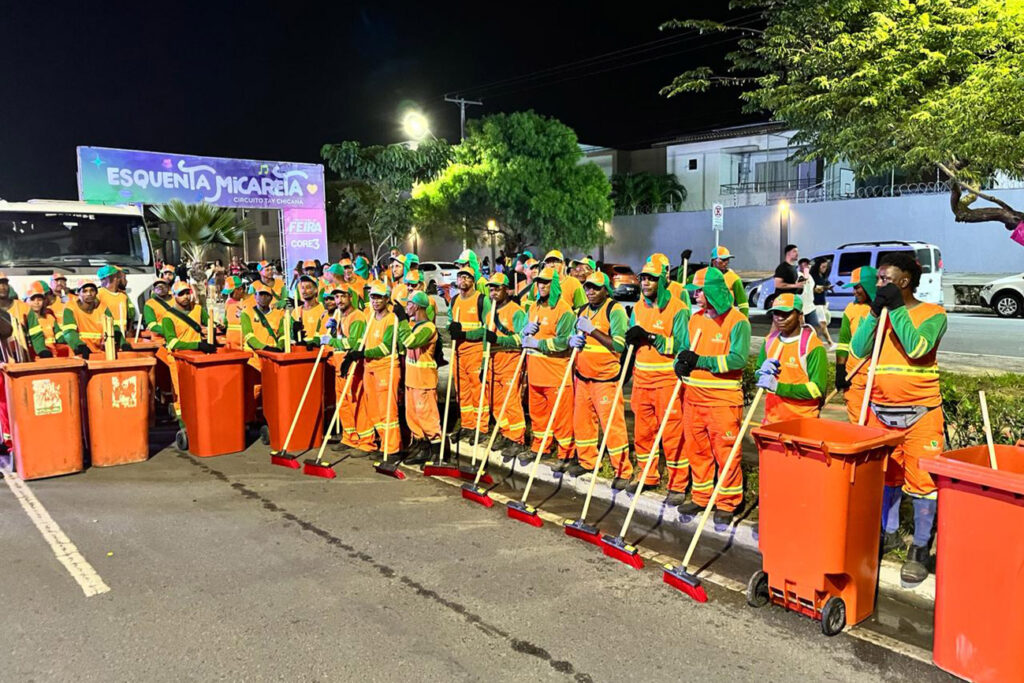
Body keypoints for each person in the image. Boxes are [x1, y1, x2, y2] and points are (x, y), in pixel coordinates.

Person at [850, 252, 947, 585]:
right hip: (880, 412)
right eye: (878, 280)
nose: (878, 285)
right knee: (886, 475)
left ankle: (920, 546)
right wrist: (876, 313)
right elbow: (858, 349)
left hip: (921, 415)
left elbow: (917, 348)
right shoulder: (878, 315)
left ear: (905, 281)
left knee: (923, 484)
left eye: (885, 279)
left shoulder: (933, 314)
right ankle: (887, 532)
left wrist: (897, 310)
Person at [674, 267, 751, 525]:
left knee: (726, 452)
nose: (695, 295)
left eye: (699, 291)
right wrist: (681, 363)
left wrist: (701, 361)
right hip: (693, 398)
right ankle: (701, 496)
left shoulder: (737, 321)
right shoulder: (695, 319)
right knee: (697, 450)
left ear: (713, 292)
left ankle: (728, 502)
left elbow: (738, 359)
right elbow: (686, 351)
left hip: (722, 401)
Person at [627, 258, 691, 498]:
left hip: (666, 381)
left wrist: (653, 338)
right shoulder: (637, 308)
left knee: (673, 433)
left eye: (651, 278)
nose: (645, 282)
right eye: (643, 278)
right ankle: (647, 475)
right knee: (643, 432)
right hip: (641, 379)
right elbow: (635, 339)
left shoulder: (678, 308)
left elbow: (683, 346)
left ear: (661, 281)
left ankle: (678, 484)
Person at [569, 272, 630, 480]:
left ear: (606, 289)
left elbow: (619, 345)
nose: (590, 291)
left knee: (613, 426)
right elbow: (575, 334)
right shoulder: (582, 310)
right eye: (587, 287)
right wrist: (573, 341)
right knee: (583, 423)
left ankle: (622, 470)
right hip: (583, 377)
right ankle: (587, 461)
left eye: (595, 287)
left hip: (605, 379)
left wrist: (593, 330)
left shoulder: (615, 310)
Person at [518, 267, 576, 468]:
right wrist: (524, 332)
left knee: (561, 418)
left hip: (555, 374)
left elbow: (562, 343)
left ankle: (565, 454)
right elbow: (524, 337)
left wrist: (537, 344)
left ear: (555, 285)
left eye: (547, 282)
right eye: (540, 282)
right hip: (535, 374)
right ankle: (540, 447)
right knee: (538, 415)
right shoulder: (533, 307)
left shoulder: (564, 310)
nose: (542, 285)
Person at [753, 294, 827, 425]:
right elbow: (759, 375)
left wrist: (778, 387)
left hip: (802, 423)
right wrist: (760, 374)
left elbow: (817, 389)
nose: (780, 318)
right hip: (772, 420)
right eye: (776, 313)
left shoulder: (813, 346)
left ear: (800, 316)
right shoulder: (769, 340)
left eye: (786, 314)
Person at [484, 273, 528, 460]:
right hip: (494, 362)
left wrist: (499, 339)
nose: (493, 293)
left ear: (507, 290)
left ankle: (517, 439)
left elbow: (521, 339)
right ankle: (505, 431)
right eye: (491, 289)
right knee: (496, 401)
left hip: (511, 360)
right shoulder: (489, 314)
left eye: (497, 289)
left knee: (511, 401)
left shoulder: (516, 311)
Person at [156, 281, 216, 420]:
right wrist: (198, 345)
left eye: (187, 293)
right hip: (178, 359)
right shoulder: (168, 317)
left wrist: (211, 331)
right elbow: (172, 342)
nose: (185, 297)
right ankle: (182, 422)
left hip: (196, 358)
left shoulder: (198, 310)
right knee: (181, 392)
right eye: (181, 294)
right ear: (174, 296)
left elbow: (210, 324)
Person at [447, 266, 493, 441]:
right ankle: (467, 424)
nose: (463, 280)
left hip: (475, 352)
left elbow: (487, 328)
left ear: (472, 280)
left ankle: (481, 428)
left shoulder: (482, 300)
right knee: (462, 391)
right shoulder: (454, 301)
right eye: (460, 277)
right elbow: (450, 322)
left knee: (478, 390)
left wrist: (465, 334)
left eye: (467, 277)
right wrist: (451, 328)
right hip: (458, 352)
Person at [360, 283, 404, 459]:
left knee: (387, 410)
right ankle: (383, 444)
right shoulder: (370, 317)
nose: (375, 301)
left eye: (379, 297)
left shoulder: (392, 319)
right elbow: (364, 341)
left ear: (387, 299)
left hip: (386, 368)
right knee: (374, 409)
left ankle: (392, 449)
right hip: (369, 368)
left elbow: (386, 347)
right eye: (373, 297)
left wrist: (363, 353)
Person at [400, 291, 441, 464]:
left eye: (408, 304)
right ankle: (421, 446)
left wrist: (401, 320)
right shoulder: (415, 325)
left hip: (424, 381)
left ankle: (437, 451)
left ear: (416, 306)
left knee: (427, 417)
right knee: (413, 417)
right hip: (412, 379)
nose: (406, 307)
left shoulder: (428, 328)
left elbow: (410, 342)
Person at [834, 267, 876, 423]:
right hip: (855, 376)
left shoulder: (886, 309)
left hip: (878, 377)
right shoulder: (851, 309)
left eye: (857, 287)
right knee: (858, 423)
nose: (854, 292)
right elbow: (844, 342)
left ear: (870, 285)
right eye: (853, 287)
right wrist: (840, 370)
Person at [62, 280, 118, 357]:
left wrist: (123, 343)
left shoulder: (103, 308)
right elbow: (69, 332)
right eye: (84, 291)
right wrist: (80, 346)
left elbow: (113, 328)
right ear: (78, 293)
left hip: (101, 354)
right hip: (80, 353)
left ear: (96, 293)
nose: (89, 294)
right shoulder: (70, 308)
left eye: (92, 290)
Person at [241, 281, 285, 356]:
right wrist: (265, 348)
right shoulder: (247, 313)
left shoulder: (279, 314)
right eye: (261, 294)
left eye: (267, 295)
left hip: (272, 356)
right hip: (253, 358)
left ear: (271, 298)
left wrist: (279, 348)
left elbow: (283, 335)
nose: (263, 297)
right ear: (255, 296)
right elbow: (248, 336)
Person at [710, 246, 750, 318]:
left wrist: (744, 322)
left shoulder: (734, 278)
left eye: (727, 259)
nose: (726, 262)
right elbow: (684, 283)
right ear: (713, 261)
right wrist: (682, 265)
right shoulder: (704, 276)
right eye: (723, 259)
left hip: (726, 319)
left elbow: (743, 304)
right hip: (708, 320)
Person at [25, 281, 61, 358]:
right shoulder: (24, 321)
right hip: (35, 359)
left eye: (39, 299)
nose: (36, 302)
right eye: (32, 299)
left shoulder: (50, 318)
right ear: (26, 301)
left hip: (53, 357)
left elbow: (59, 336)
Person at [96, 265, 134, 339]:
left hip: (122, 336)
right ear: (113, 277)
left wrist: (129, 331)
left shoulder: (123, 295)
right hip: (106, 338)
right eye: (123, 277)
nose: (125, 281)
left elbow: (130, 316)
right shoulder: (98, 294)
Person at [291, 274, 325, 346]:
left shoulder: (323, 310)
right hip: (301, 351)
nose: (304, 291)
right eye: (302, 288)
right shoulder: (296, 311)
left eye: (308, 287)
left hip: (318, 349)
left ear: (316, 290)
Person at [812, 258, 836, 347]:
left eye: (826, 267)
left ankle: (815, 342)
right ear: (818, 266)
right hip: (815, 302)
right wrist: (825, 288)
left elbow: (826, 282)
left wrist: (829, 286)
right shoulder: (813, 276)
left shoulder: (822, 275)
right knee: (822, 323)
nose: (824, 269)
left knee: (820, 324)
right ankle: (830, 343)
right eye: (823, 267)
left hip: (821, 302)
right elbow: (815, 289)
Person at [221, 276, 250, 349]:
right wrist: (222, 324)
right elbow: (225, 320)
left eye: (231, 293)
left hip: (245, 343)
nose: (229, 296)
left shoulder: (249, 302)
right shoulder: (228, 302)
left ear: (240, 289)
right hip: (231, 343)